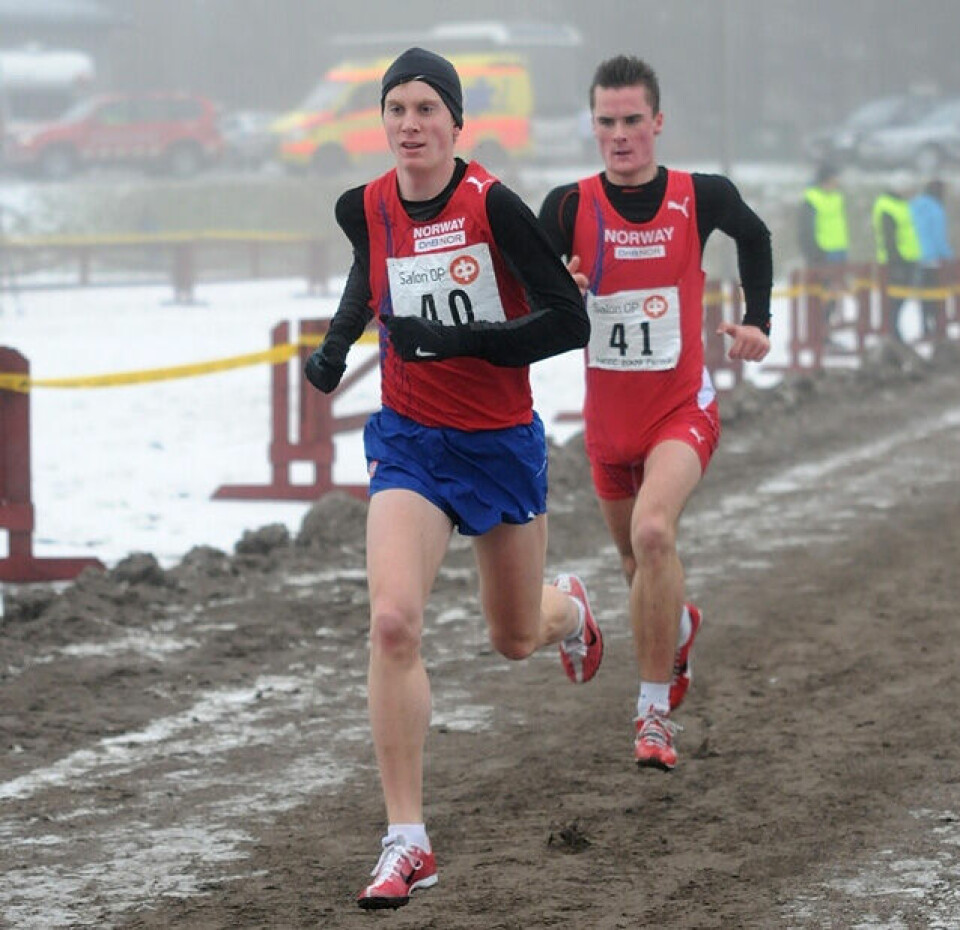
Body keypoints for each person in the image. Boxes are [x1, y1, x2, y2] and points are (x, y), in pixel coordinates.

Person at [303, 47, 603, 911]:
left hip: (499, 441)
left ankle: (569, 610)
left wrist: (470, 341)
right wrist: (335, 345)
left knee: (513, 637)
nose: (409, 123)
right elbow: (373, 267)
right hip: (410, 444)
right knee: (393, 623)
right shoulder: (367, 202)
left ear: (456, 122)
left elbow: (567, 320)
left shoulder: (493, 205)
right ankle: (408, 839)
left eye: (426, 108)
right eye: (395, 108)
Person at [538, 55, 772, 773]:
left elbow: (756, 237)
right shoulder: (567, 207)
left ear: (657, 122)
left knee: (653, 530)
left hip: (681, 408)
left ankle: (651, 715)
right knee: (637, 564)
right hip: (608, 423)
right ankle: (678, 622)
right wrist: (560, 289)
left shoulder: (699, 194)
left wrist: (756, 319)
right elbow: (529, 301)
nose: (619, 135)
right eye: (606, 122)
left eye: (633, 120)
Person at [798, 162, 850, 340]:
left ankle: (824, 333)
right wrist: (815, 254)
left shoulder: (837, 198)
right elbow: (805, 232)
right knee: (820, 299)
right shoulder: (812, 199)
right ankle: (817, 335)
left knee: (832, 298)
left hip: (837, 254)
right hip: (822, 257)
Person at [872, 179, 921, 344]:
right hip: (896, 261)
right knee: (894, 299)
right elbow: (889, 237)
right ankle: (891, 331)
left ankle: (894, 330)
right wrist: (896, 259)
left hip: (908, 258)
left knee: (901, 297)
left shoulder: (902, 205)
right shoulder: (887, 206)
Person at [910, 178, 954, 338]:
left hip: (914, 256)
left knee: (924, 296)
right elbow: (938, 237)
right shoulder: (936, 209)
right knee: (936, 296)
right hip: (933, 259)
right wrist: (948, 255)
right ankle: (938, 328)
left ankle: (925, 328)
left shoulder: (913, 206)